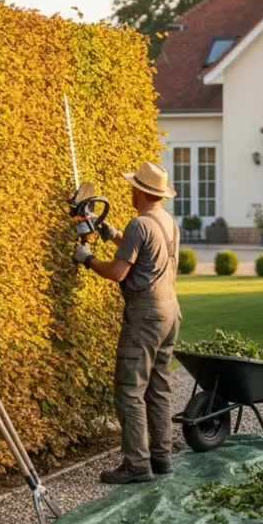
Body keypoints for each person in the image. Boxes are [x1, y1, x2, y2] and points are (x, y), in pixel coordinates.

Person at [74, 161, 181, 484]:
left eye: (133, 186)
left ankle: (136, 465)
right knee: (159, 387)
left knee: (129, 389)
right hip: (170, 312)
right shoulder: (166, 222)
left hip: (145, 314)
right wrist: (112, 234)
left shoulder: (139, 224)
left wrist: (88, 259)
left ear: (139, 190)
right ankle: (161, 458)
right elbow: (147, 253)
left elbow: (119, 272)